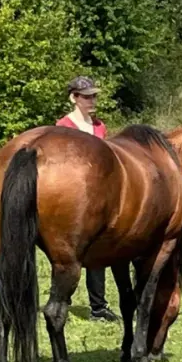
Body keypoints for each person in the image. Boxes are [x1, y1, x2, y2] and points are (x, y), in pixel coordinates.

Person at [56, 76, 119, 323]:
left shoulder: (100, 127)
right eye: (86, 96)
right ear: (74, 98)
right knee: (67, 252)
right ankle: (63, 299)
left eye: (94, 96)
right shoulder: (63, 126)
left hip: (98, 196)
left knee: (98, 251)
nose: (92, 101)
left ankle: (98, 306)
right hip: (73, 197)